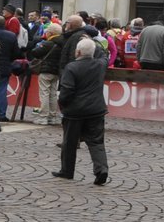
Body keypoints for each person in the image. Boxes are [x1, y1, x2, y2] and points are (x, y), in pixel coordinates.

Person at [54, 38, 109, 184]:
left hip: (74, 111)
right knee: (96, 142)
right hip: (96, 109)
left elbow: (66, 91)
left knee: (69, 142)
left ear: (77, 52)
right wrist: (93, 42)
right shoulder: (100, 65)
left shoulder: (71, 67)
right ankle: (101, 169)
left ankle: (67, 170)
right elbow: (104, 54)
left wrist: (63, 105)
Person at [29, 22, 65, 125]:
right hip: (57, 72)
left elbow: (35, 52)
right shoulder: (63, 44)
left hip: (46, 71)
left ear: (50, 33)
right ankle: (52, 117)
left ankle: (43, 117)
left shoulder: (48, 43)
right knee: (53, 94)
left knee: (44, 93)